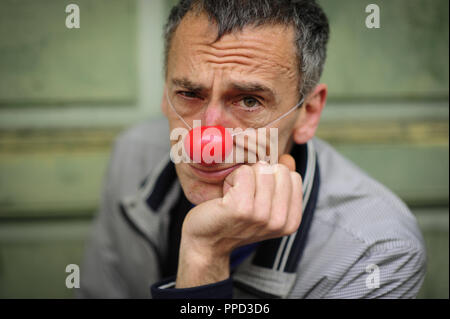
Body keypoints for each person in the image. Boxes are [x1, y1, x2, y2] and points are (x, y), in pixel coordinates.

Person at [78, 0, 426, 299]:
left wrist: (205, 257)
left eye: (248, 100)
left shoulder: (376, 251)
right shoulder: (132, 156)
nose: (207, 142)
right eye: (189, 94)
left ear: (308, 113)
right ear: (165, 96)